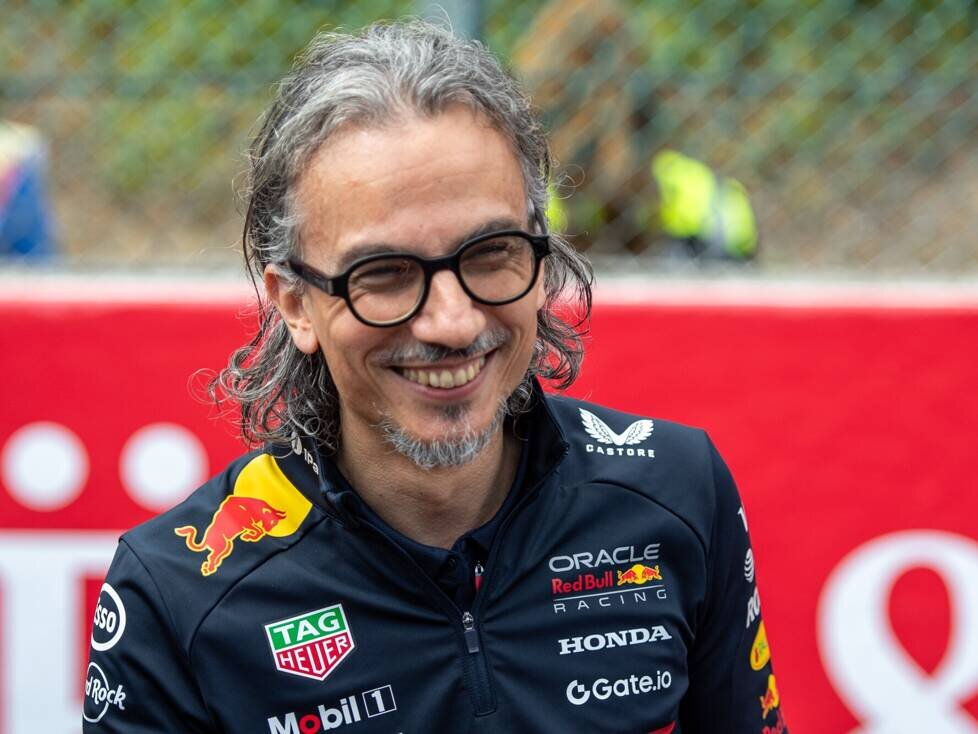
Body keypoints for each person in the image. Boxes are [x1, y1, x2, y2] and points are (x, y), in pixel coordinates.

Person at [84, 20, 787, 733]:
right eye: (384, 273)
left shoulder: (676, 490)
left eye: (490, 253)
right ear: (294, 303)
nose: (452, 322)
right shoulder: (175, 594)